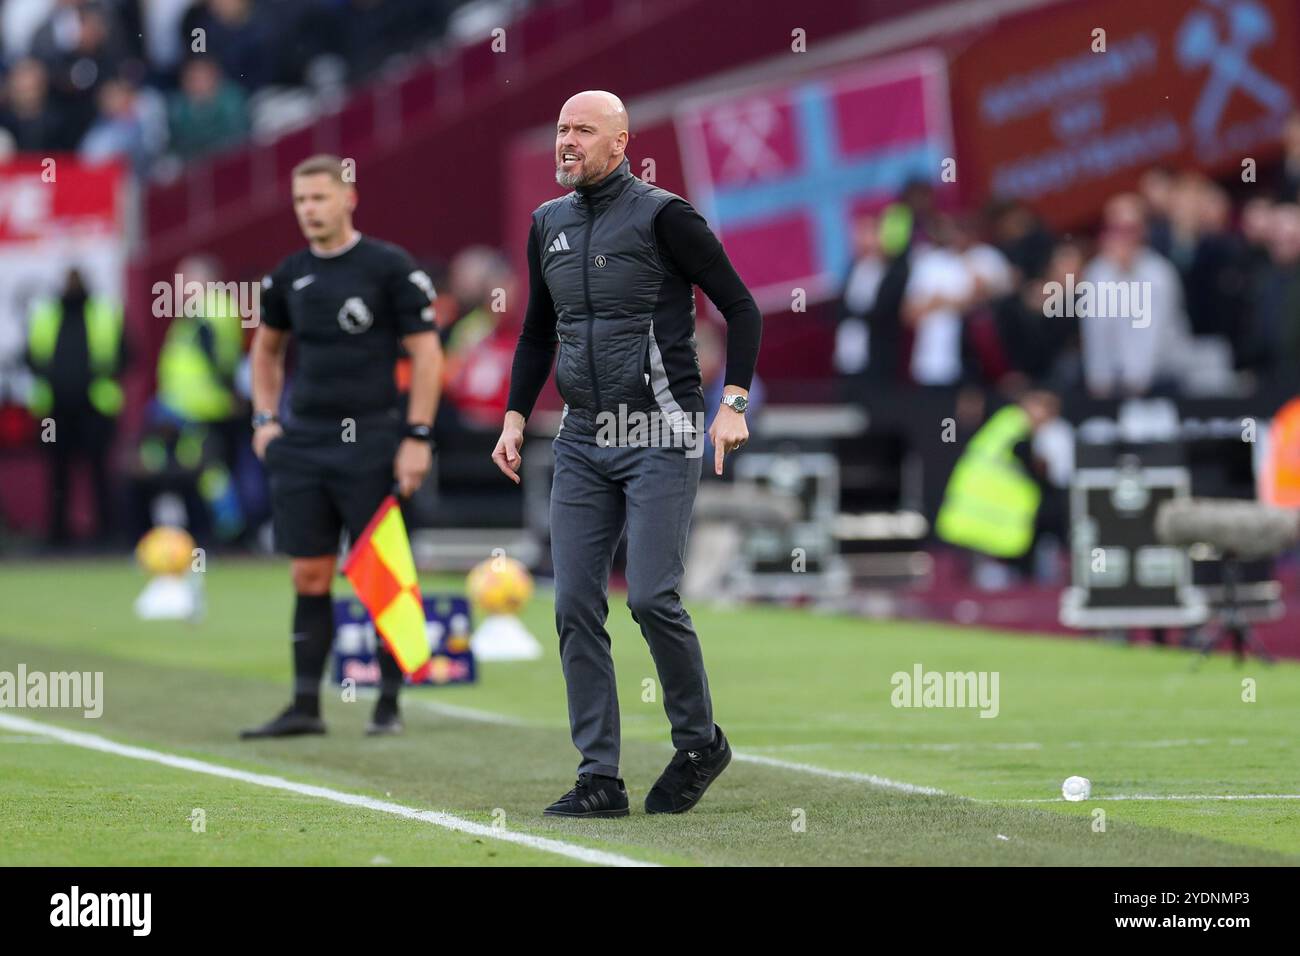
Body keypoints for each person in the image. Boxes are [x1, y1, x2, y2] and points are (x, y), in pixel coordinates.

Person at [492, 90, 762, 817]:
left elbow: (741, 306)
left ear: (620, 142)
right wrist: (516, 415)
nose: (566, 141)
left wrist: (731, 406)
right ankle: (599, 778)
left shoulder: (665, 215)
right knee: (574, 601)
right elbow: (535, 335)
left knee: (648, 596)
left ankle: (700, 741)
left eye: (582, 129)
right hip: (582, 435)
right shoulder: (546, 222)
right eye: (559, 129)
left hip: (660, 430)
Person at [240, 154, 443, 739]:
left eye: (320, 198)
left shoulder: (388, 267)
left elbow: (427, 355)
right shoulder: (287, 276)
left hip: (374, 439)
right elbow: (267, 350)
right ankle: (305, 707)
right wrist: (264, 419)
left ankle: (388, 704)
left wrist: (417, 435)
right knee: (309, 573)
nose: (309, 210)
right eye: (301, 201)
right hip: (304, 443)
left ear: (348, 197)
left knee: (382, 571)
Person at [26, 268, 127, 546]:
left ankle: (107, 534)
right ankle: (58, 536)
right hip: (54, 412)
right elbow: (30, 356)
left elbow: (127, 353)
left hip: (95, 407)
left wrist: (95, 375)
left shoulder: (104, 312)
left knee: (99, 473)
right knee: (58, 474)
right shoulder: (45, 314)